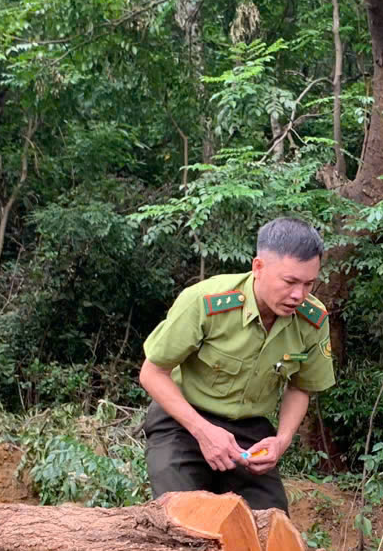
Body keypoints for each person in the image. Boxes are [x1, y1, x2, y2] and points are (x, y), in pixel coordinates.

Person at [138, 218, 335, 513]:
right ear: (258, 268)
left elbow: (301, 387)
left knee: (271, 530)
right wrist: (203, 432)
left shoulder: (313, 319)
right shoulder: (206, 301)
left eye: (309, 283)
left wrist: (281, 441)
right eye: (290, 282)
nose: (299, 295)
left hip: (249, 432)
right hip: (182, 422)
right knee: (184, 519)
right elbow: (152, 373)